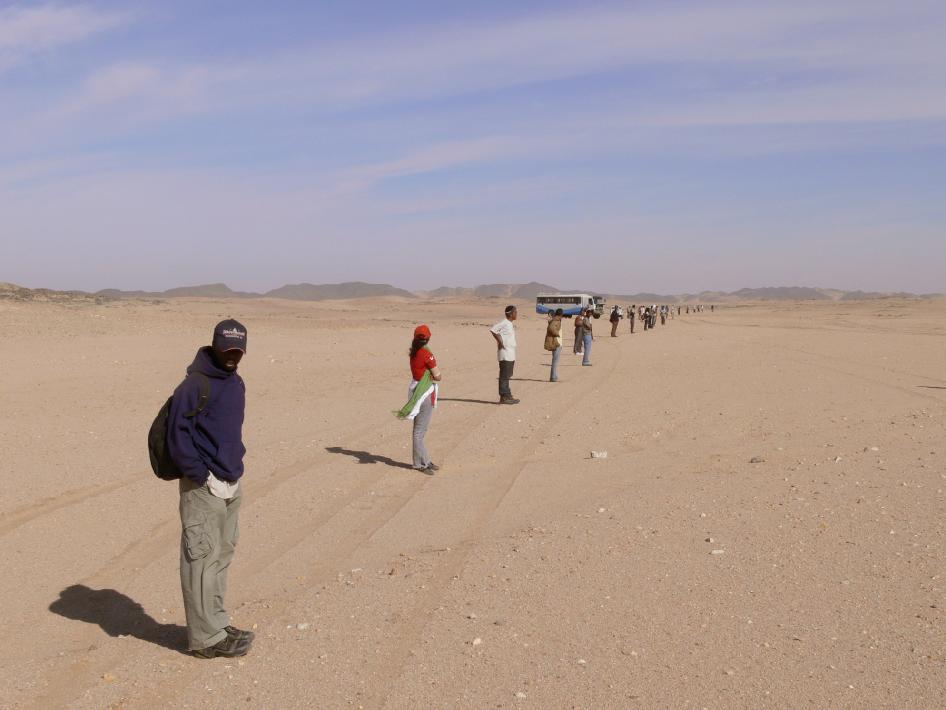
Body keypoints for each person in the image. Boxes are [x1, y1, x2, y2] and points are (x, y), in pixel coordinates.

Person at [167, 319, 253, 659]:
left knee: (221, 556)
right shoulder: (193, 385)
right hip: (203, 486)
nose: (232, 357)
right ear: (214, 345)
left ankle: (217, 624)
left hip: (230, 482)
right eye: (227, 350)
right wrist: (199, 474)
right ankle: (205, 639)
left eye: (238, 351)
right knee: (200, 560)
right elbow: (178, 436)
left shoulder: (236, 383)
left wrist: (232, 474)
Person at [398, 324, 442, 472]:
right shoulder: (426, 354)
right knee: (419, 431)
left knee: (419, 430)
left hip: (415, 388)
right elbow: (438, 376)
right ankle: (419, 464)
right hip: (424, 393)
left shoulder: (414, 352)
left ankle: (425, 460)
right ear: (428, 338)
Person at [490, 305, 519, 404]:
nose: (516, 314)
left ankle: (508, 395)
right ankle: (504, 397)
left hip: (510, 353)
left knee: (508, 375)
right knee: (504, 375)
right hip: (505, 353)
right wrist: (500, 342)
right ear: (510, 314)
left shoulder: (509, 324)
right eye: (515, 312)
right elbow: (493, 330)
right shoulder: (504, 323)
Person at [544, 308, 563, 382]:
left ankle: (554, 376)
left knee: (555, 360)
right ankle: (553, 377)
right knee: (555, 361)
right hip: (556, 343)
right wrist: (557, 334)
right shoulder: (556, 320)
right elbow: (551, 328)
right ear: (561, 314)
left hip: (556, 342)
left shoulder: (555, 320)